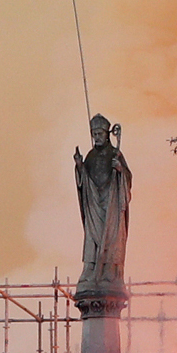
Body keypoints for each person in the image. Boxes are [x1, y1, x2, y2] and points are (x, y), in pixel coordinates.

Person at [74, 114, 132, 289]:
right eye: (94, 134)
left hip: (111, 202)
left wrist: (119, 170)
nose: (97, 137)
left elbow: (127, 179)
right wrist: (80, 166)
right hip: (93, 203)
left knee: (113, 236)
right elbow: (84, 180)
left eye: (99, 133)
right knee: (91, 235)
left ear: (107, 134)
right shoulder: (91, 156)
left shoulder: (115, 154)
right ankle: (90, 268)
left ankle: (110, 270)